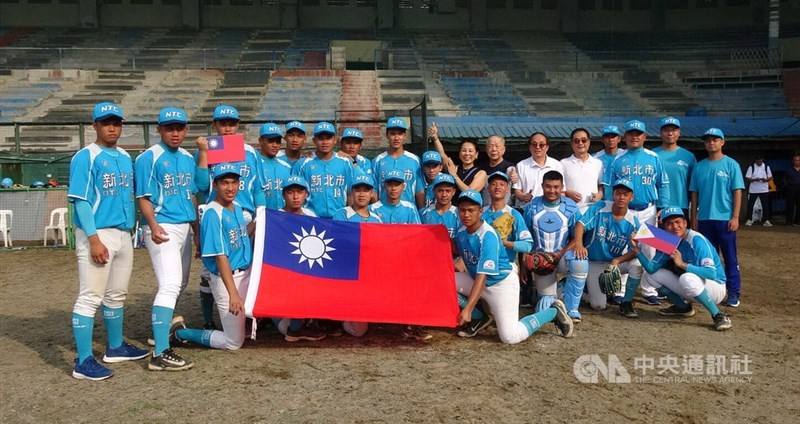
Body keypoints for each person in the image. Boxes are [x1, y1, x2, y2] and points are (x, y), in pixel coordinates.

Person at [68, 102, 148, 380]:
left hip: (123, 233)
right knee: (90, 297)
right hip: (98, 233)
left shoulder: (125, 156)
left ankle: (114, 347)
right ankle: (83, 360)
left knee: (116, 295)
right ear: (95, 126)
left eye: (116, 122)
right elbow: (80, 201)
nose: (112, 127)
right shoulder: (85, 156)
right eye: (106, 122)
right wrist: (93, 239)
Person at [136, 107, 208, 371]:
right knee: (170, 284)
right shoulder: (149, 158)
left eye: (179, 128)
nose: (175, 133)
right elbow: (143, 197)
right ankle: (160, 354)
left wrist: (197, 231)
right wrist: (152, 225)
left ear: (186, 129)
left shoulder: (189, 157)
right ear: (159, 130)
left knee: (180, 282)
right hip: (162, 224)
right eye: (169, 128)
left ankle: (160, 332)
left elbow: (197, 190)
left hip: (184, 226)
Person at [453, 190, 574, 343]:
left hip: (501, 284)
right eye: (462, 210)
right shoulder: (461, 231)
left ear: (480, 211)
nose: (466, 214)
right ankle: (480, 318)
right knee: (442, 282)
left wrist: (468, 308)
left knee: (510, 336)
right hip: (476, 280)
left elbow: (482, 276)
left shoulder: (488, 235)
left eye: (471, 210)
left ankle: (553, 311)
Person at [172, 164, 252, 351]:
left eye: (234, 182)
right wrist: (233, 293)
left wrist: (260, 222)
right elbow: (220, 257)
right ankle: (180, 333)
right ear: (215, 185)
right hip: (226, 279)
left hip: (245, 274)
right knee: (234, 342)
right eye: (225, 183)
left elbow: (241, 236)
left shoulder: (238, 208)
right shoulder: (212, 213)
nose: (230, 188)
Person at [633, 207, 732, 331]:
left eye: (678, 222)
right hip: (692, 284)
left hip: (715, 287)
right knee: (650, 276)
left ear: (685, 223)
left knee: (687, 277)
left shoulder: (696, 239)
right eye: (670, 223)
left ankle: (718, 315)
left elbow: (711, 273)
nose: (674, 226)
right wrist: (637, 251)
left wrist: (682, 264)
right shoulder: (667, 240)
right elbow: (651, 268)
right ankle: (683, 308)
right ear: (664, 227)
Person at [610, 120, 669, 306]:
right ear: (625, 137)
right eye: (631, 133)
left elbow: (663, 184)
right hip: (626, 211)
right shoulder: (618, 159)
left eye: (639, 133)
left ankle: (648, 289)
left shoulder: (654, 157)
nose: (635, 136)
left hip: (648, 210)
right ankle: (620, 290)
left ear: (645, 136)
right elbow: (609, 185)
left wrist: (663, 207)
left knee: (650, 251)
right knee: (624, 248)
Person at [690, 128, 745, 308]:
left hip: (724, 219)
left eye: (715, 140)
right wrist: (694, 218)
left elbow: (737, 192)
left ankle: (734, 292)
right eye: (708, 140)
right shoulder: (699, 166)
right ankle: (712, 291)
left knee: (730, 257)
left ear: (722, 142)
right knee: (707, 259)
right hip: (704, 219)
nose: (711, 143)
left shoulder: (731, 165)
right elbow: (694, 194)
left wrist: (735, 216)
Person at [523, 170, 588, 322]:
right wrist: (525, 263)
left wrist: (560, 253)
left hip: (563, 256)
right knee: (544, 307)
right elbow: (525, 237)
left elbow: (576, 236)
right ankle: (558, 290)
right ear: (542, 186)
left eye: (556, 187)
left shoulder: (571, 207)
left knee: (580, 262)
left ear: (562, 187)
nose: (552, 190)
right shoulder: (531, 208)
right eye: (548, 186)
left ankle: (572, 309)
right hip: (542, 261)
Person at [573, 179, 643, 317]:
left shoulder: (633, 220)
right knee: (598, 305)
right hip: (594, 261)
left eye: (625, 194)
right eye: (618, 193)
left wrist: (618, 260)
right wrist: (579, 244)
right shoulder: (600, 207)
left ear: (631, 197)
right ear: (613, 194)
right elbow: (580, 224)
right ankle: (584, 291)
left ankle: (626, 302)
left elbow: (636, 250)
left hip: (612, 263)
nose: (621, 197)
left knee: (637, 264)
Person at [275, 176, 328, 341]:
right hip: (282, 273)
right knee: (286, 328)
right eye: (291, 192)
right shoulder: (274, 216)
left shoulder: (311, 215)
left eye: (300, 192)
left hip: (306, 270)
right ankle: (292, 324)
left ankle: (308, 321)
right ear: (283, 195)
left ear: (306, 194)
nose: (296, 196)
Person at [331, 175, 380, 338]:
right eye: (357, 190)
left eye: (366, 190)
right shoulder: (341, 214)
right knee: (358, 331)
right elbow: (338, 244)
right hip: (345, 273)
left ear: (371, 193)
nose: (361, 194)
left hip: (368, 274)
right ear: (351, 193)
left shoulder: (377, 219)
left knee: (360, 330)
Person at [292, 122, 354, 219]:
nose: (325, 142)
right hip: (310, 217)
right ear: (314, 140)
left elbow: (351, 193)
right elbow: (294, 194)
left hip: (339, 217)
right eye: (321, 138)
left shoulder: (345, 163)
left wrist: (350, 217)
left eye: (328, 138)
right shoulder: (302, 164)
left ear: (335, 140)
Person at [372, 116, 425, 207]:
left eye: (400, 134)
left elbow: (419, 191)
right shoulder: (377, 161)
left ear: (404, 136)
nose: (396, 138)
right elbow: (374, 191)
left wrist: (421, 213)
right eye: (392, 134)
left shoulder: (415, 160)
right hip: (383, 213)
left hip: (408, 212)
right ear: (387, 135)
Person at [652, 117, 696, 220]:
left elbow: (693, 186)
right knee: (658, 236)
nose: (670, 133)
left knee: (679, 236)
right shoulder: (651, 155)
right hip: (656, 207)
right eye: (666, 130)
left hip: (681, 206)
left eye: (674, 130)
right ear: (660, 133)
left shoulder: (689, 157)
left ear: (679, 133)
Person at [428, 123, 487, 196]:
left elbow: (470, 193)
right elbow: (442, 155)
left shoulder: (481, 173)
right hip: (453, 207)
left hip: (468, 207)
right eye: (464, 150)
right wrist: (435, 138)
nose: (467, 154)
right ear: (459, 153)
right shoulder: (454, 168)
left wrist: (454, 176)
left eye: (470, 151)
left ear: (476, 154)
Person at [513, 132, 564, 209]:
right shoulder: (521, 165)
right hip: (527, 209)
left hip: (551, 209)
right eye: (534, 144)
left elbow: (562, 191)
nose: (538, 147)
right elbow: (517, 190)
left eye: (541, 145)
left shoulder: (557, 165)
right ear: (530, 147)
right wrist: (523, 196)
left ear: (547, 147)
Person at [560, 128, 603, 212]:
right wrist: (568, 193)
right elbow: (559, 188)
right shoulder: (563, 163)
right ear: (572, 143)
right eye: (576, 141)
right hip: (571, 209)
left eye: (584, 140)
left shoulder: (598, 163)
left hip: (592, 210)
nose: (580, 143)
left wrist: (599, 196)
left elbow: (600, 186)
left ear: (589, 142)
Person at [256, 122, 292, 211]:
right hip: (260, 217)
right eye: (270, 141)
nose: (275, 145)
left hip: (283, 218)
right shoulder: (254, 163)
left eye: (278, 141)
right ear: (260, 140)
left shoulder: (286, 166)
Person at [477, 135, 518, 205]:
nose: (494, 149)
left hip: (504, 211)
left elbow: (514, 178)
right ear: (486, 149)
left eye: (497, 146)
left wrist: (514, 177)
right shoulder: (481, 168)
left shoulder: (509, 168)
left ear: (503, 149)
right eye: (490, 146)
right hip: (485, 209)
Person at [420, 173, 460, 239]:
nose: (444, 194)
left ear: (453, 192)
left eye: (448, 191)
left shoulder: (459, 214)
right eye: (440, 191)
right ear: (434, 191)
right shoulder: (423, 213)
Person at [594, 125, 626, 202]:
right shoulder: (595, 158)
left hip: (622, 200)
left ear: (619, 139)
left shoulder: (626, 156)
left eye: (613, 136)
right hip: (602, 201)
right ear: (602, 139)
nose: (610, 139)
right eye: (607, 136)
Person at [744, 156, 773, 227]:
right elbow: (747, 177)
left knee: (765, 205)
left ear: (762, 160)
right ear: (755, 160)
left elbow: (770, 177)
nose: (760, 162)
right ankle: (749, 220)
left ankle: (765, 220)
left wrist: (765, 180)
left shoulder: (766, 167)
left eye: (761, 161)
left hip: (764, 189)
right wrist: (754, 179)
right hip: (753, 190)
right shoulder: (751, 167)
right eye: (758, 161)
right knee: (751, 205)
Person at [785, 153, 800, 226]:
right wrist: (788, 187)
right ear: (793, 161)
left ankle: (798, 222)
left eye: (798, 160)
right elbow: (784, 180)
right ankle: (789, 221)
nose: (797, 161)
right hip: (791, 189)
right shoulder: (789, 170)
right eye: (795, 160)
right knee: (790, 205)